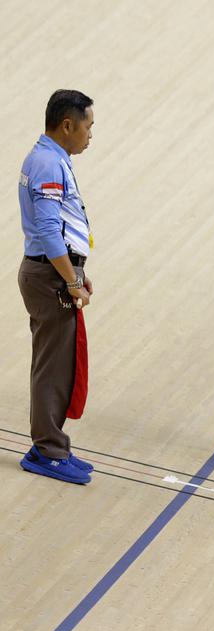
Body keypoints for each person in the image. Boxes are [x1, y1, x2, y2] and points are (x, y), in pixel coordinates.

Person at [16, 90, 97, 485]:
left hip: (52, 273)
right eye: (88, 126)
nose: (90, 134)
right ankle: (47, 450)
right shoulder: (49, 164)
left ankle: (52, 443)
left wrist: (77, 273)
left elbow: (60, 229)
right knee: (53, 368)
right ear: (68, 124)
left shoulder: (48, 157)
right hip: (49, 278)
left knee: (57, 365)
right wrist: (70, 279)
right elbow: (49, 231)